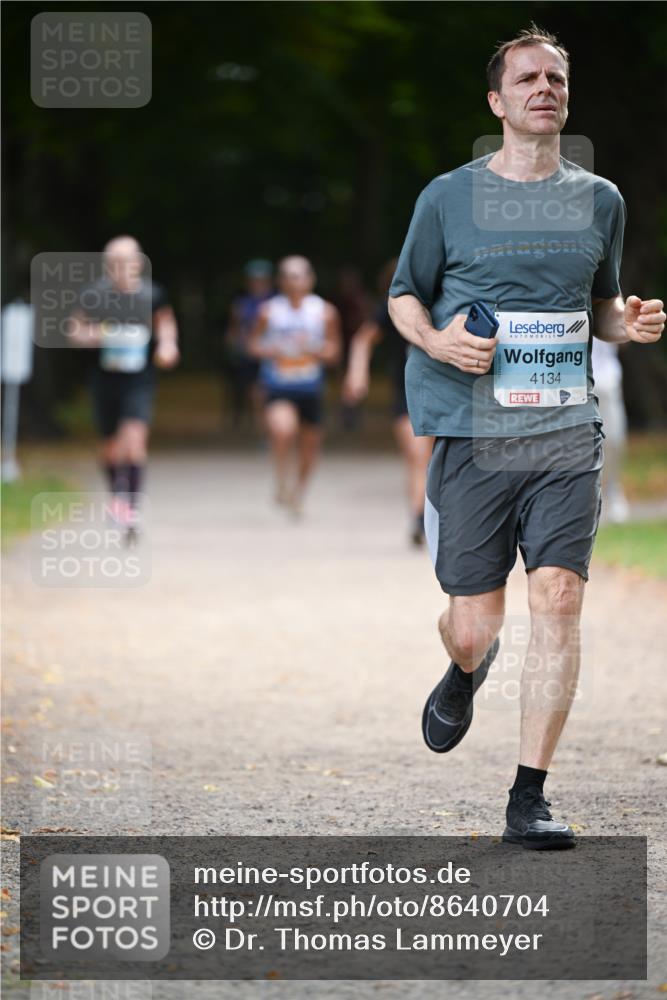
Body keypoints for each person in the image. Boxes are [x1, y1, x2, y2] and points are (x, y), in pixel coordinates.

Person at [388, 26, 664, 849]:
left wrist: (627, 322)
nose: (544, 88)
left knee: (560, 599)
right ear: (496, 101)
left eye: (556, 78)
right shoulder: (448, 197)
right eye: (527, 79)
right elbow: (404, 296)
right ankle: (465, 667)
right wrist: (437, 340)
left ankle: (528, 797)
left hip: (564, 429)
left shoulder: (600, 200)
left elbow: (600, 305)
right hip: (473, 430)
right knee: (473, 624)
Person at [68, 236, 179, 538]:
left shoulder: (153, 294)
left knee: (134, 440)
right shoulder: (94, 295)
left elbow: (166, 325)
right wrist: (90, 336)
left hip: (139, 379)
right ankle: (117, 497)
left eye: (125, 261)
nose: (119, 267)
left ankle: (131, 507)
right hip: (104, 378)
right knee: (110, 448)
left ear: (138, 263)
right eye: (113, 262)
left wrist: (168, 346)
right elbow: (75, 329)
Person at [343, 259, 434, 546]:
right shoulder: (394, 308)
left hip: (447, 393)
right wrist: (357, 373)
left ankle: (434, 517)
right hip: (408, 395)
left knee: (437, 461)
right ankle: (419, 518)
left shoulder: (449, 302)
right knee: (418, 457)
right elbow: (363, 340)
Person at [248, 255, 341, 516]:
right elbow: (252, 344)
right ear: (280, 281)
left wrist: (314, 349)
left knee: (310, 447)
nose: (293, 281)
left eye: (298, 276)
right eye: (288, 276)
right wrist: (272, 350)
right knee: (282, 430)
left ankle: (299, 492)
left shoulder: (325, 312)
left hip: (310, 387)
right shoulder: (269, 311)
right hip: (279, 385)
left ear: (310, 279)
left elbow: (335, 351)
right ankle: (281, 479)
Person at [223, 259, 274, 432]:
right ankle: (262, 430)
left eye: (261, 280)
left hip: (272, 354)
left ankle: (268, 429)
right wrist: (232, 345)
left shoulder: (276, 302)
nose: (257, 283)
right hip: (247, 354)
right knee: (253, 392)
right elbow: (234, 327)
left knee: (262, 392)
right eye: (254, 280)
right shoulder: (241, 302)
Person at [591, 338, 630, 522]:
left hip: (607, 378)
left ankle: (613, 491)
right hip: (573, 380)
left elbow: (624, 338)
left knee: (613, 439)